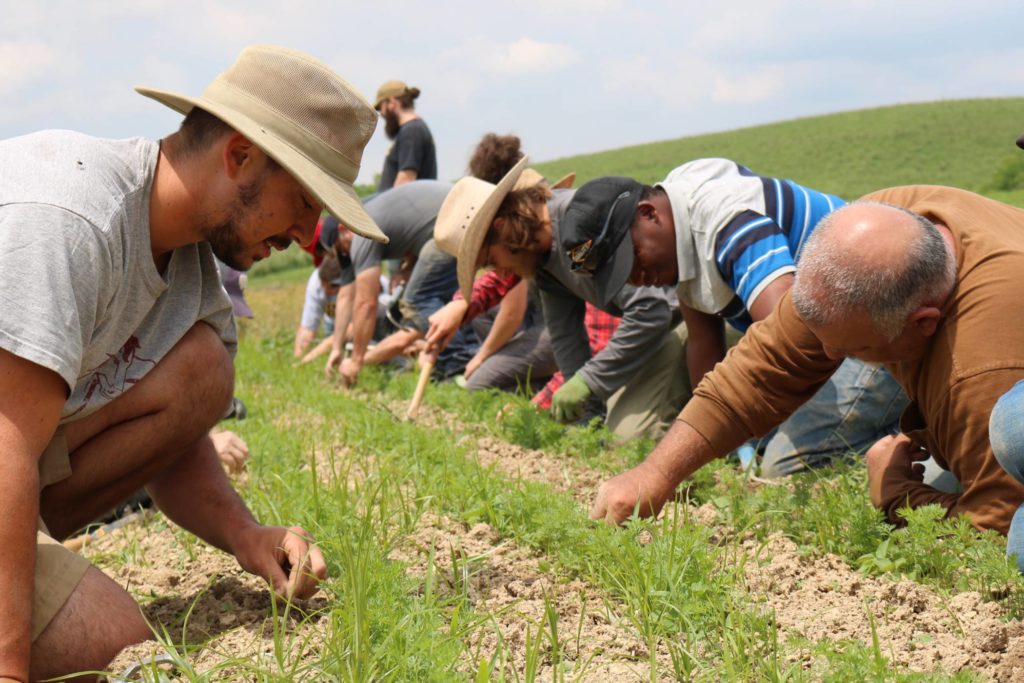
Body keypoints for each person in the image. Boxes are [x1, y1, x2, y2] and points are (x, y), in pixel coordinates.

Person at [0, 45, 385, 680]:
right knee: (118, 640)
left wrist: (244, 533)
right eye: (305, 202)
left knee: (204, 366)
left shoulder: (189, 276)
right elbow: (8, 446)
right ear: (240, 156)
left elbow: (173, 439)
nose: (305, 234)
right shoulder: (72, 219)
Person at [590, 187, 1024, 542]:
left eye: (854, 349)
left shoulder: (980, 374)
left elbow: (996, 529)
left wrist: (900, 497)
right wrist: (656, 472)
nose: (829, 357)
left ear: (923, 323)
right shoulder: (881, 231)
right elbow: (765, 365)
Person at [563, 159, 908, 476]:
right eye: (624, 276)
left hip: (879, 329)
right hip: (832, 339)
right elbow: (703, 342)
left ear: (648, 213)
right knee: (757, 439)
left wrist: (733, 436)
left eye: (633, 259)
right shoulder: (678, 221)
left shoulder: (727, 224)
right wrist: (718, 442)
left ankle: (919, 437)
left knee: (784, 466)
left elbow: (789, 336)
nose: (637, 278)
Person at [433, 157, 690, 440]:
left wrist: (588, 381)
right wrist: (586, 414)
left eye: (492, 260)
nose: (499, 272)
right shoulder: (541, 261)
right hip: (660, 333)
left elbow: (651, 310)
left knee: (630, 438)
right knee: (612, 426)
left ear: (502, 227)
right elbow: (565, 336)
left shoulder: (579, 227)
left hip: (687, 319)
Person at [324, 181, 479, 384]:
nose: (346, 254)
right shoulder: (371, 214)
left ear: (344, 229)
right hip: (462, 214)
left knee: (417, 301)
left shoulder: (361, 229)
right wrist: (336, 348)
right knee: (445, 299)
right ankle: (467, 356)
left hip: (456, 222)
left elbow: (366, 303)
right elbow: (346, 295)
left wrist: (356, 361)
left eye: (341, 248)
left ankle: (457, 363)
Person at [374, 80, 437, 191]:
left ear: (392, 102)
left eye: (381, 107)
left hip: (401, 208)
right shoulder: (413, 130)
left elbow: (406, 180)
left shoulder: (412, 131)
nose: (382, 114)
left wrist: (389, 207)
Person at [294, 254, 351, 362]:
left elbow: (350, 330)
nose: (324, 291)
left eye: (328, 287)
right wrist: (299, 358)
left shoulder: (356, 282)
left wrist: (309, 358)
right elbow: (308, 327)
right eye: (322, 285)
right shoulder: (316, 281)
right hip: (332, 324)